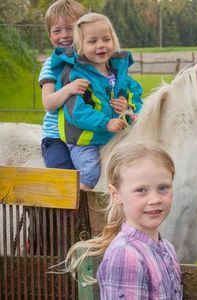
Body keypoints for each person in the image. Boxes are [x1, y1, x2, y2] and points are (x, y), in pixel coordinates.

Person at [63, 143, 182, 299]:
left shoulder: (166, 247)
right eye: (141, 190)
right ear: (116, 194)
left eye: (163, 188)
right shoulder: (127, 254)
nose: (155, 199)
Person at [51, 12, 143, 189]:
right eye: (92, 41)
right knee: (91, 171)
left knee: (135, 163)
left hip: (113, 136)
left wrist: (130, 108)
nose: (101, 46)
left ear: (113, 41)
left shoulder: (118, 73)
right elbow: (76, 112)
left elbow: (136, 94)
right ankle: (79, 209)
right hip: (85, 141)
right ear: (80, 46)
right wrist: (106, 123)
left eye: (106, 39)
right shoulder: (75, 75)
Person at [38, 0, 87, 169]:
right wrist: (69, 89)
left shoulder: (89, 62)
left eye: (70, 28)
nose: (64, 35)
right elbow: (49, 103)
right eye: (57, 30)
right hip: (57, 138)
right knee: (63, 171)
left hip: (86, 135)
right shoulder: (52, 65)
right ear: (50, 35)